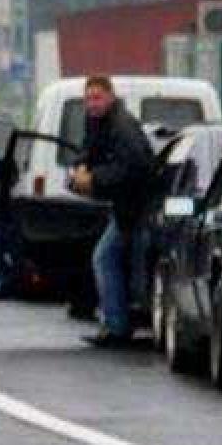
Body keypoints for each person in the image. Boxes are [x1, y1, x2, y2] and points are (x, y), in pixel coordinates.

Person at [69, 75, 155, 348]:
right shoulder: (97, 122)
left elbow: (135, 167)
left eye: (97, 98)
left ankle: (119, 326)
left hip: (140, 208)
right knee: (109, 259)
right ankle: (117, 323)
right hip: (124, 208)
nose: (92, 104)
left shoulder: (122, 126)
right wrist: (81, 167)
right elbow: (88, 148)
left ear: (110, 96)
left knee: (112, 260)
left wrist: (95, 179)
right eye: (88, 99)